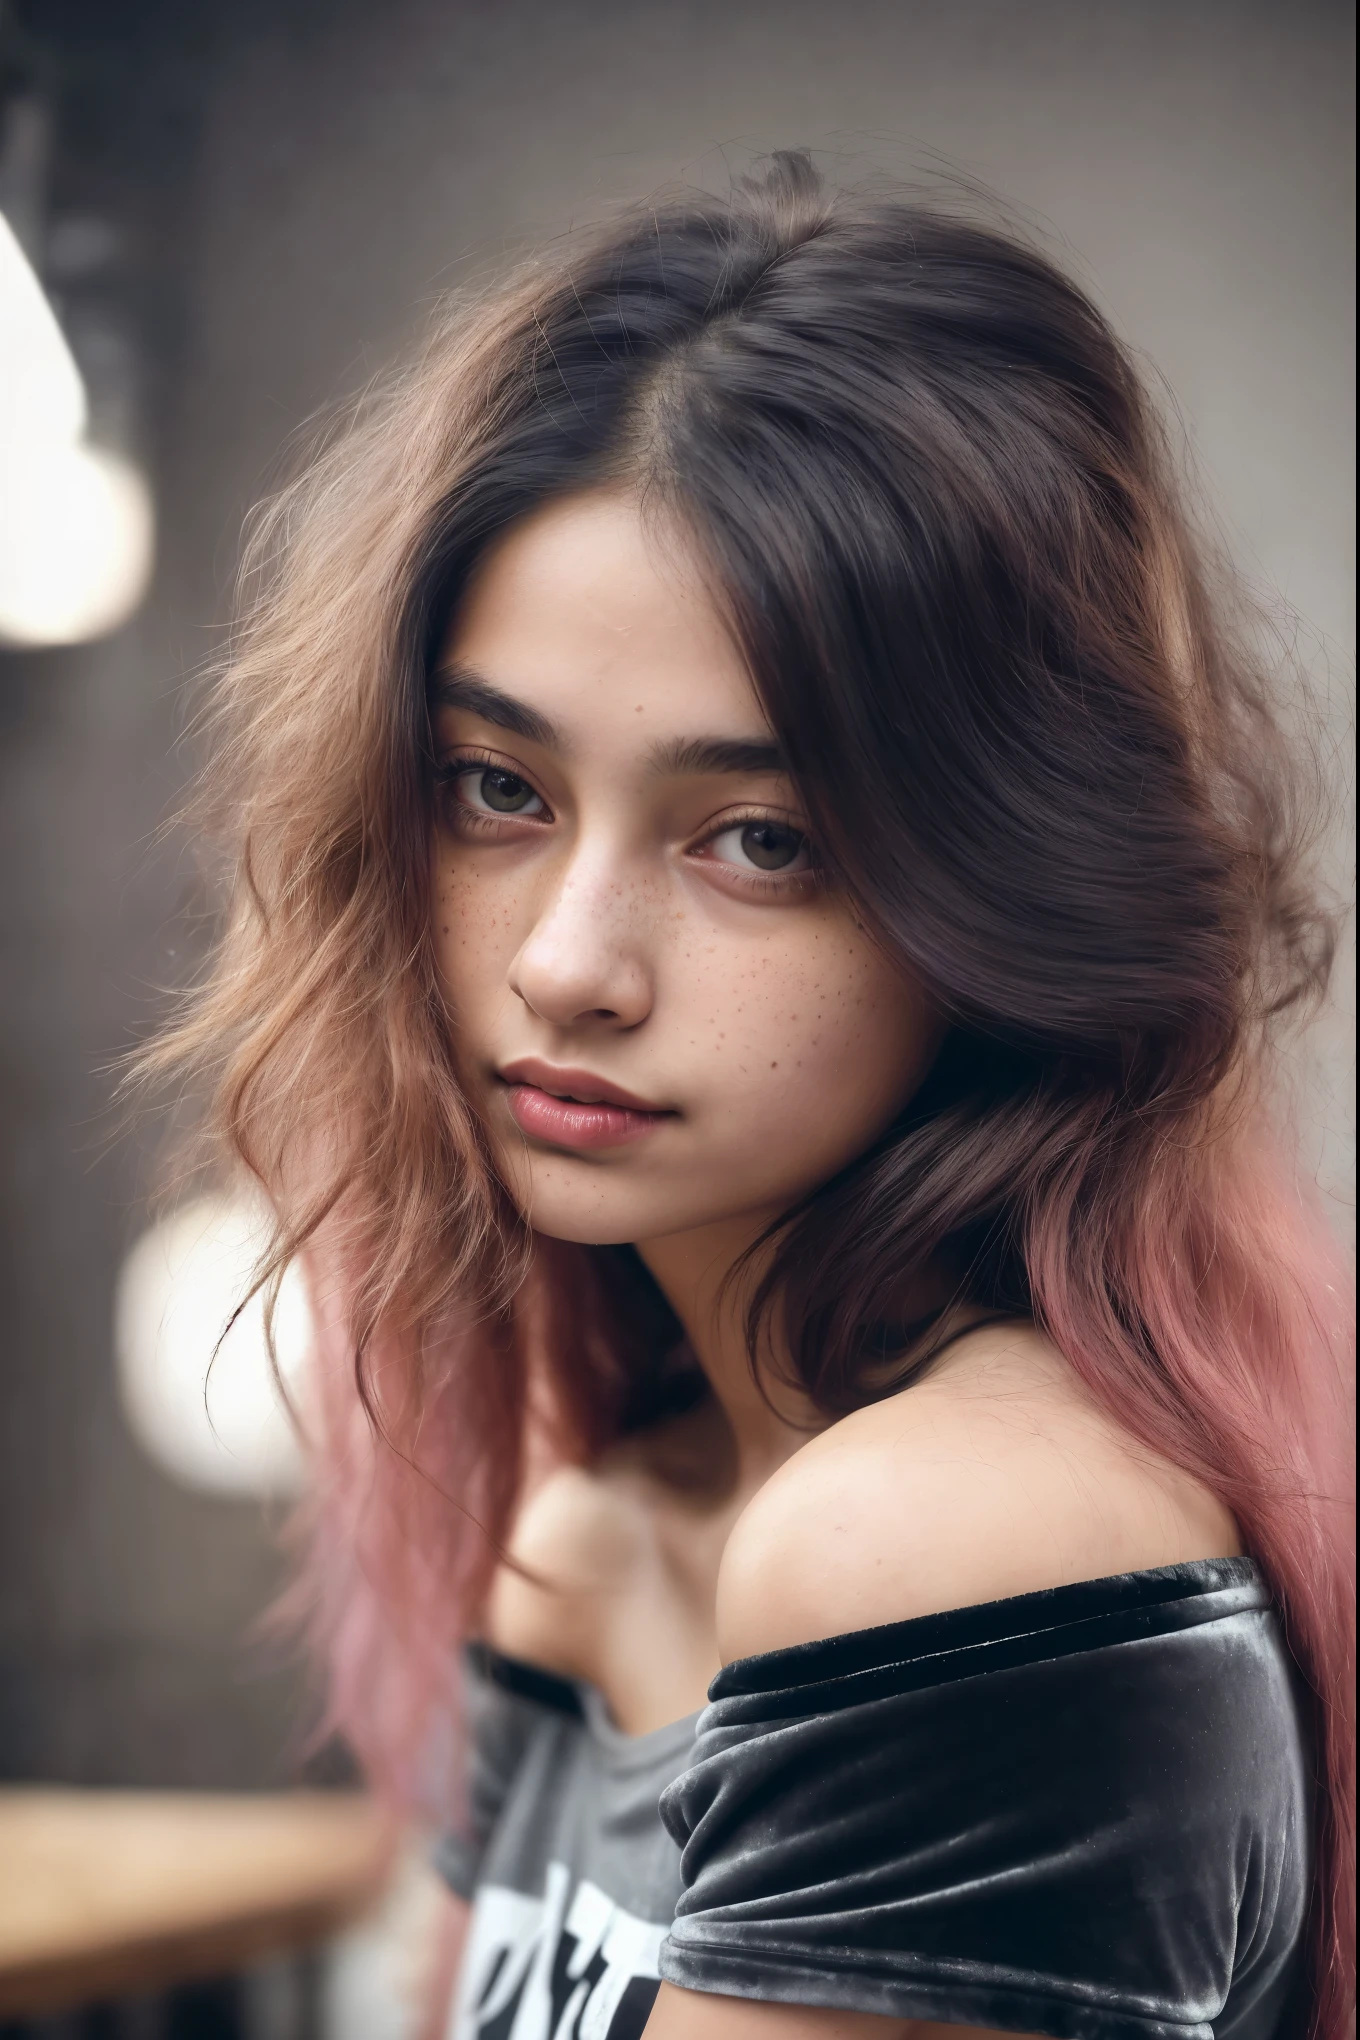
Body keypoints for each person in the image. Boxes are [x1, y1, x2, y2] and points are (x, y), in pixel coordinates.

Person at [144, 155, 1354, 2040]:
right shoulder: (598, 1538)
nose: (565, 962)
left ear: (998, 887)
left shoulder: (948, 1538)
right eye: (499, 789)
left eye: (761, 839)